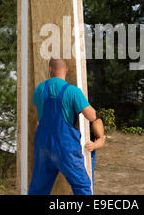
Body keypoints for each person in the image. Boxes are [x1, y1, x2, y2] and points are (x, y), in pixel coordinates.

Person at [28, 58, 97, 195]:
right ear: (66, 70)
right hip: (65, 147)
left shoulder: (40, 89)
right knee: (81, 186)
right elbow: (91, 116)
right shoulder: (73, 91)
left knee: (38, 190)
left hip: (43, 146)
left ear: (50, 69)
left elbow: (37, 114)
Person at [83, 111, 105, 192]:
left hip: (87, 154)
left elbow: (101, 139)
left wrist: (93, 145)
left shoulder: (93, 115)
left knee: (86, 184)